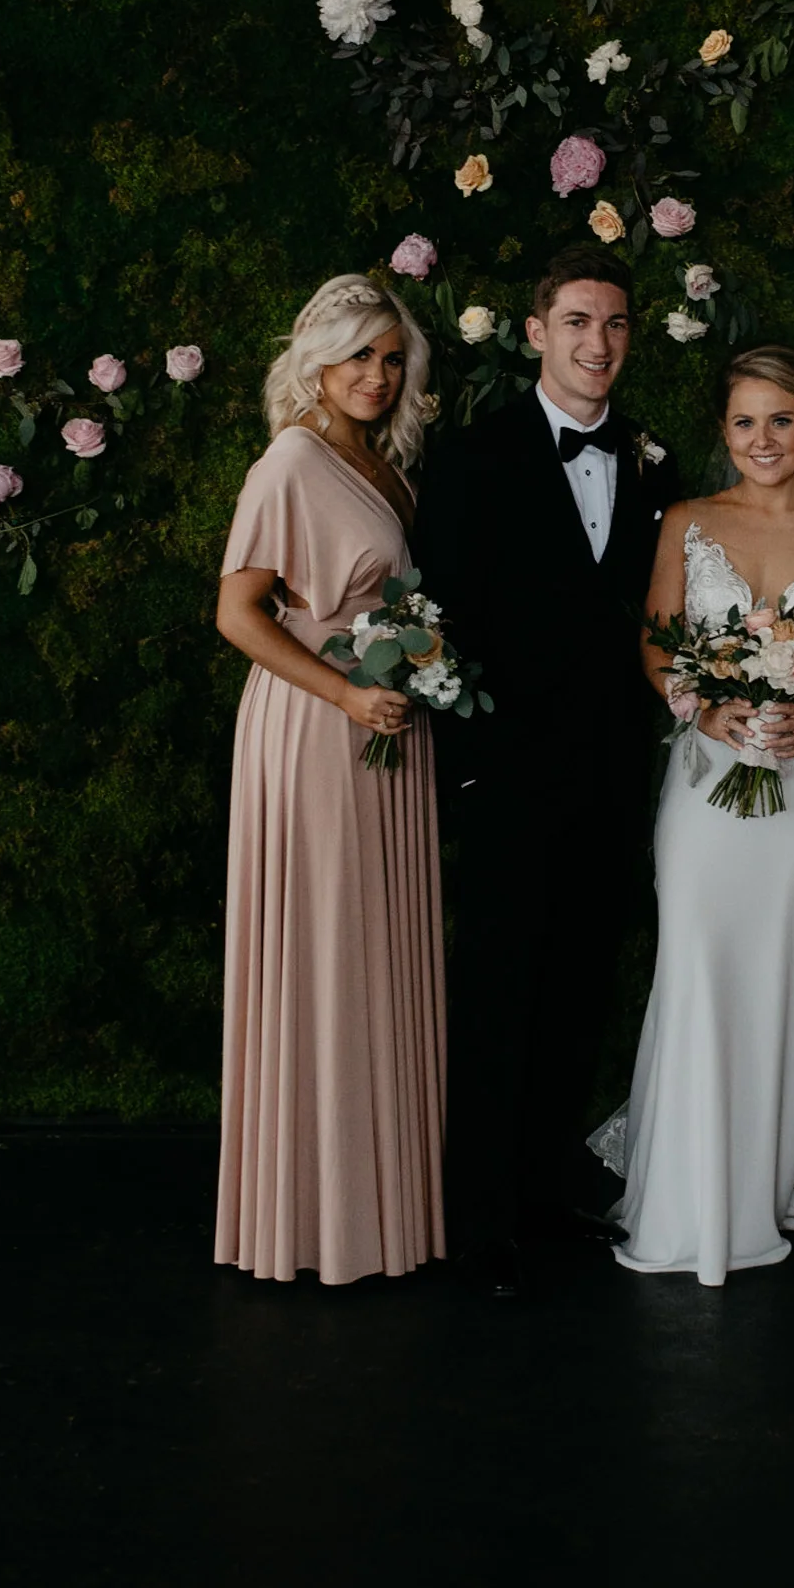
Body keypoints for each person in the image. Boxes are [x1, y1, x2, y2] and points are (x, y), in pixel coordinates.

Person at [410, 246, 680, 1300]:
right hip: (509, 779)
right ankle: (477, 1220)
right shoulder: (475, 458)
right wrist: (468, 774)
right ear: (535, 332)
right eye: (576, 321)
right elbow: (442, 621)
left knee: (577, 990)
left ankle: (544, 1185)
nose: (596, 343)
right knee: (494, 1000)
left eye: (613, 324)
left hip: (613, 779)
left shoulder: (654, 466)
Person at [604, 346, 794, 1286]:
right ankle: (685, 1195)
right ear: (722, 433)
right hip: (703, 785)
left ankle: (756, 1184)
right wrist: (702, 704)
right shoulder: (687, 522)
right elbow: (654, 641)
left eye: (779, 420)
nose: (761, 440)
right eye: (742, 422)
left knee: (782, 974)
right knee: (694, 967)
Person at [214, 273, 446, 1286]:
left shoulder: (385, 464)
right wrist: (346, 696)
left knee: (373, 949)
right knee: (321, 952)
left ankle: (385, 1205)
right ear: (316, 361)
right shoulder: (292, 460)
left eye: (392, 358)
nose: (377, 374)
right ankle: (313, 1220)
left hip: (384, 728)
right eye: (359, 355)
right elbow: (237, 612)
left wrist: (406, 668)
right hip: (315, 732)